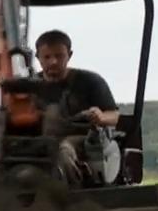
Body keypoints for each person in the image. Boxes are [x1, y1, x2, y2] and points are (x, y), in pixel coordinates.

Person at [32, 29, 120, 184]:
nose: (53, 61)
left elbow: (114, 116)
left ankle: (74, 196)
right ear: (38, 57)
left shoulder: (90, 81)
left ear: (69, 55)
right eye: (47, 57)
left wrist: (100, 117)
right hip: (41, 140)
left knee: (63, 151)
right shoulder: (29, 86)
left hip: (83, 138)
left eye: (59, 56)